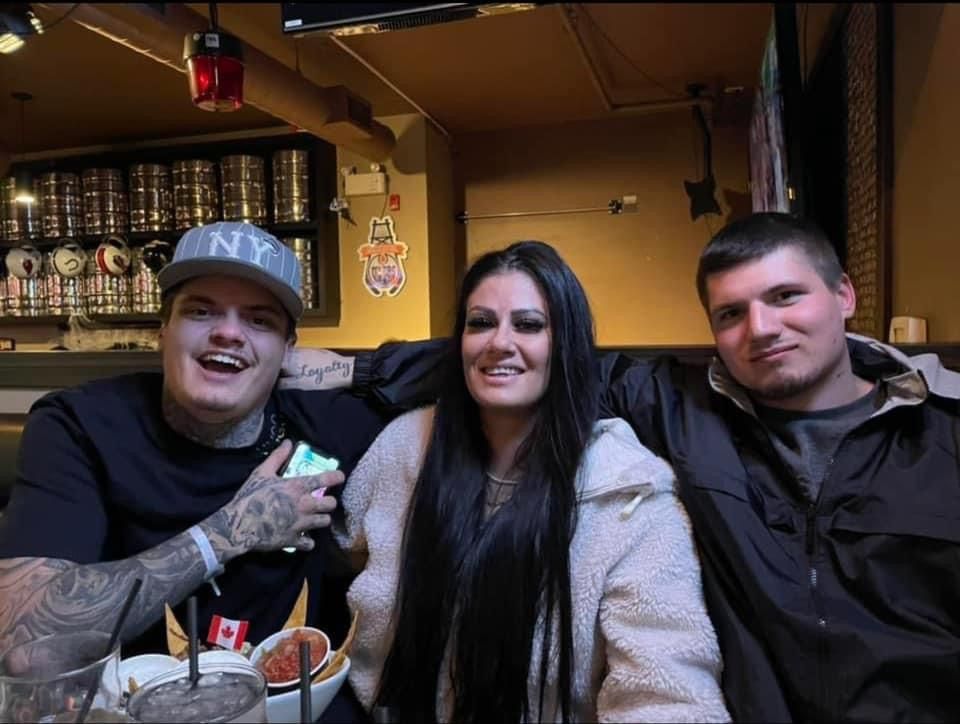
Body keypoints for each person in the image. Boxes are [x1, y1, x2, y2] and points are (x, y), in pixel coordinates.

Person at [282, 213, 960, 722]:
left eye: (785, 297)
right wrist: (309, 366)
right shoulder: (684, 406)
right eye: (730, 312)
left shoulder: (944, 437)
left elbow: (664, 682)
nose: (760, 328)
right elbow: (505, 364)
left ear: (843, 295)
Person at [0, 222, 424, 719]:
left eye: (260, 320)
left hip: (305, 706)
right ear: (163, 330)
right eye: (201, 311)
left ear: (289, 351)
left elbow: (481, 358)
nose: (228, 332)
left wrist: (350, 368)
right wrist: (226, 534)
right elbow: (27, 646)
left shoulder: (328, 421)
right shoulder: (81, 426)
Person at [331, 241, 729, 723]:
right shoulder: (403, 447)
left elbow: (667, 693)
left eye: (528, 324)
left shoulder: (629, 496)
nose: (499, 342)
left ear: (565, 345)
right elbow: (335, 566)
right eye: (480, 323)